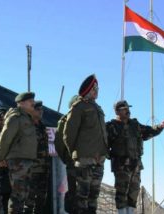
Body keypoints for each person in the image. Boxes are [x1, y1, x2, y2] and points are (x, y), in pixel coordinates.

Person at [106, 100, 164, 214]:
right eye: (125, 109)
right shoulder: (111, 127)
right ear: (118, 111)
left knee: (133, 194)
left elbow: (149, 131)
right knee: (121, 194)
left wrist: (160, 127)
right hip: (121, 167)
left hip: (135, 166)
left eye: (128, 109)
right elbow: (103, 144)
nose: (128, 111)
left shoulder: (135, 125)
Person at [63, 74, 108, 214]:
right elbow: (68, 134)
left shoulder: (97, 108)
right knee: (81, 199)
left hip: (99, 161)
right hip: (84, 161)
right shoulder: (79, 107)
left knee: (93, 198)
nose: (98, 91)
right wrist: (77, 154)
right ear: (90, 90)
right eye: (96, 88)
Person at [0, 92, 38, 214]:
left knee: (24, 195)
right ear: (21, 103)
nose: (33, 103)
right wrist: (1, 158)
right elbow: (5, 139)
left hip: (27, 161)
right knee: (18, 195)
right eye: (30, 100)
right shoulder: (15, 117)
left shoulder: (27, 118)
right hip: (17, 161)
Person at [54, 95, 79, 214]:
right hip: (73, 163)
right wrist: (67, 159)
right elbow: (59, 143)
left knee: (88, 195)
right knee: (74, 193)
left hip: (89, 163)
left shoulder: (88, 119)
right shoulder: (65, 121)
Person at [25, 101, 50, 214]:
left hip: (43, 169)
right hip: (32, 169)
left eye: (42, 110)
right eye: (38, 109)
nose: (41, 112)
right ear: (32, 111)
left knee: (41, 200)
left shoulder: (42, 126)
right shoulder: (27, 125)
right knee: (28, 202)